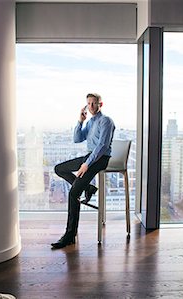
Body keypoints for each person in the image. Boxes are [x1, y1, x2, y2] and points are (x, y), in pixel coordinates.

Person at [51, 93, 115, 249]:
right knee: (59, 169)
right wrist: (80, 120)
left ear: (101, 104)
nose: (91, 106)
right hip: (90, 157)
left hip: (100, 159)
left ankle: (69, 235)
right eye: (89, 104)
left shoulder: (106, 121)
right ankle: (88, 188)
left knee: (73, 193)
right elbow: (77, 138)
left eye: (94, 103)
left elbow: (102, 147)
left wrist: (86, 164)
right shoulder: (91, 122)